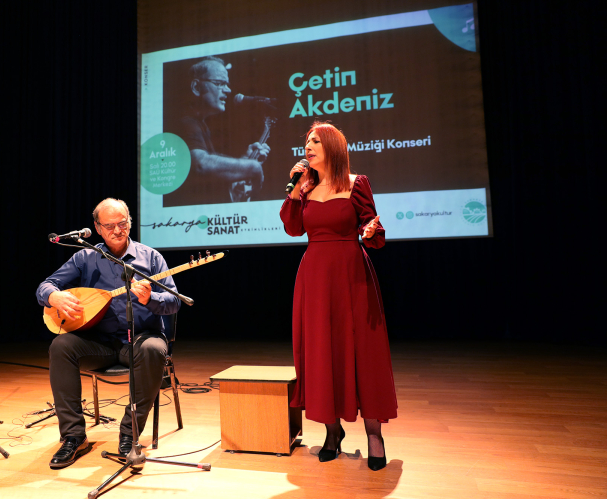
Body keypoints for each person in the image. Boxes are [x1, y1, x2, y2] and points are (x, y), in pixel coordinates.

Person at [279, 122, 397, 469]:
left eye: (315, 141)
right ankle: (332, 432)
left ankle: (374, 434)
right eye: (306, 142)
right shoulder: (305, 189)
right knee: (320, 351)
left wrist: (371, 230)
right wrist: (294, 189)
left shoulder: (356, 183)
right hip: (315, 279)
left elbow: (371, 228)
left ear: (332, 146)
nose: (308, 147)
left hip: (351, 275)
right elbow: (293, 228)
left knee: (363, 352)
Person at [36, 198, 181, 469]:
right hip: (100, 343)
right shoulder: (85, 257)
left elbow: (174, 302)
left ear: (130, 223)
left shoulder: (151, 258)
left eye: (122, 223)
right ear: (97, 228)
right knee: (61, 346)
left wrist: (150, 299)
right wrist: (53, 296)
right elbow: (46, 285)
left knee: (153, 349)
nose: (117, 230)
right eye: (110, 225)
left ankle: (129, 434)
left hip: (141, 339)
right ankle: (74, 436)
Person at [163, 56, 271, 206]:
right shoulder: (184, 121)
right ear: (196, 87)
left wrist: (245, 159)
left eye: (227, 84)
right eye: (220, 83)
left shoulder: (200, 123)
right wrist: (252, 167)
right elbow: (200, 163)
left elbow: (208, 175)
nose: (228, 90)